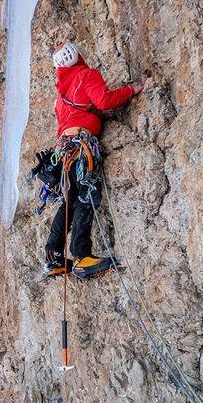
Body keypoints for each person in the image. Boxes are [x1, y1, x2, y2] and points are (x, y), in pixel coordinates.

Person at [44, 41, 143, 278]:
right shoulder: (86, 74)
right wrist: (131, 90)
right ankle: (81, 256)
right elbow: (104, 101)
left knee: (68, 201)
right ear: (77, 55)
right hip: (82, 143)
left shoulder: (61, 95)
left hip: (65, 150)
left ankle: (54, 257)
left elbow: (63, 122)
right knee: (87, 194)